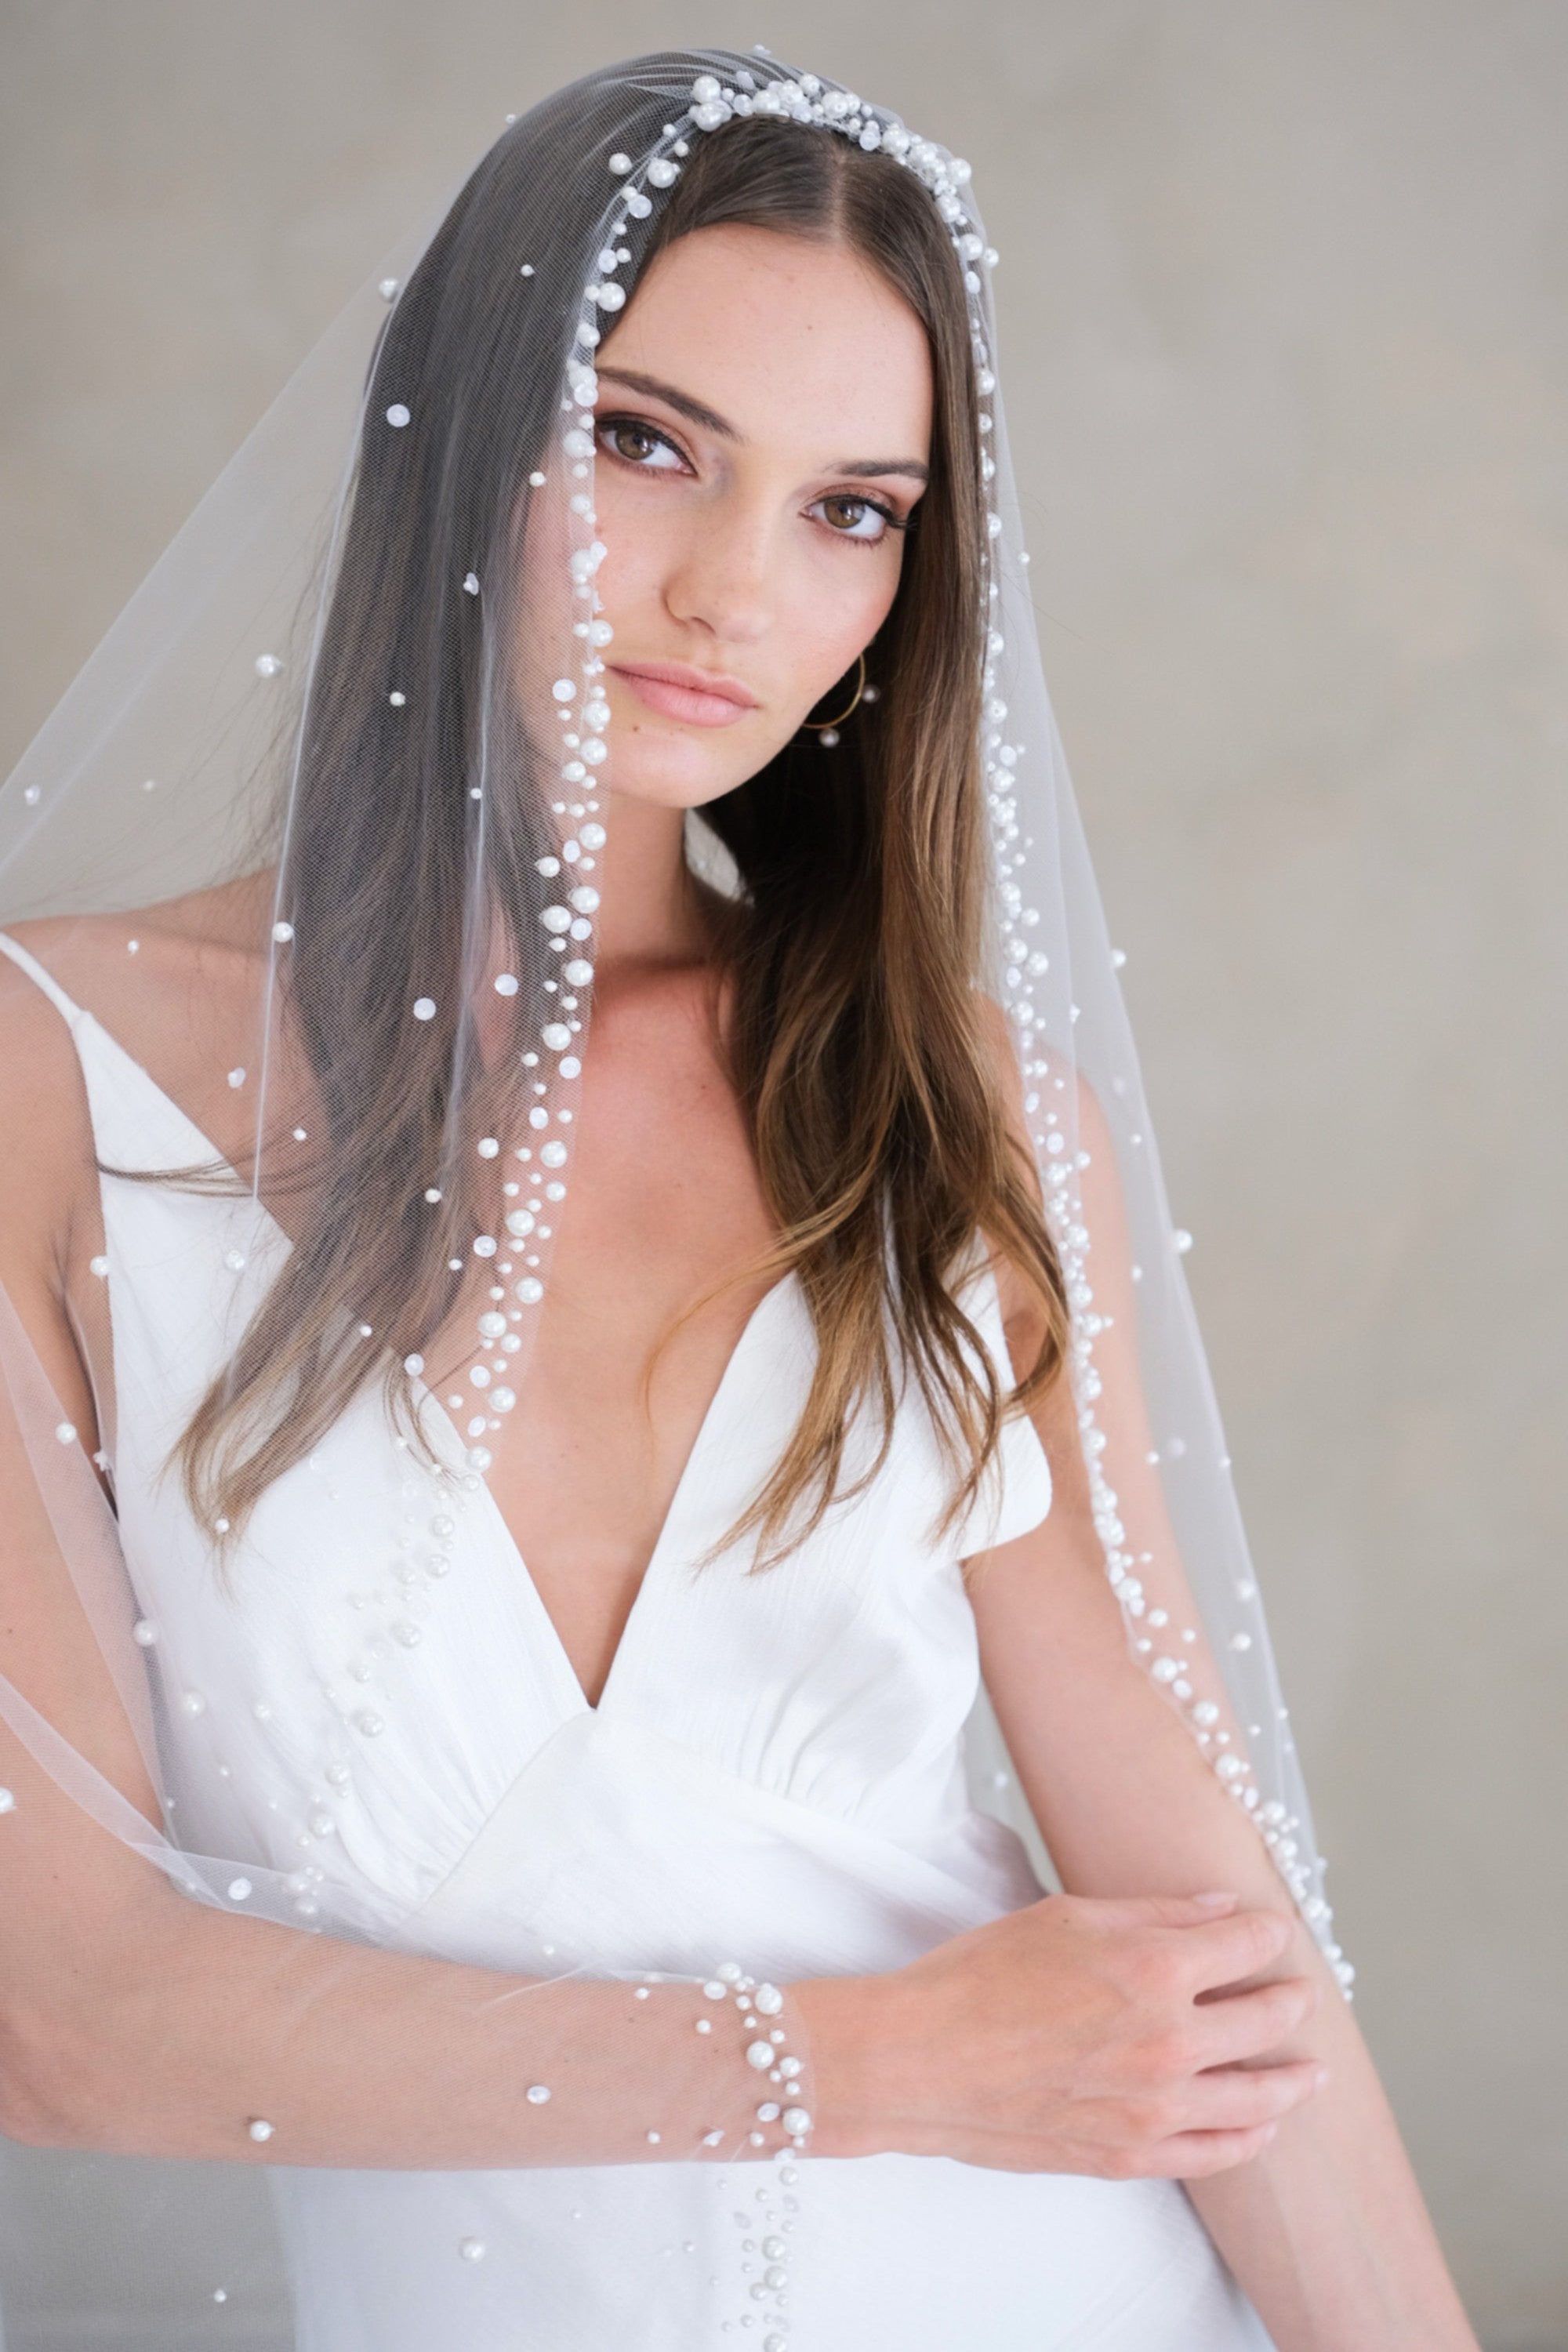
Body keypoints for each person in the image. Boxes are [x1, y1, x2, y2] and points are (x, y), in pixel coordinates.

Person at [0, 48, 1476, 2351]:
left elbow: (1217, 1966)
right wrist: (881, 2060)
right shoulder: (49, 1088)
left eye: (852, 512)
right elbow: (64, 2020)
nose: (731, 596)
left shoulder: (949, 1116)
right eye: (642, 440)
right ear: (455, 436)